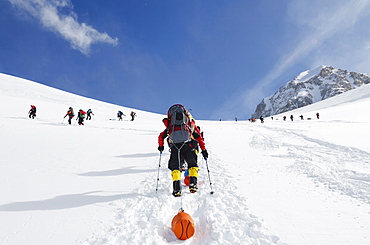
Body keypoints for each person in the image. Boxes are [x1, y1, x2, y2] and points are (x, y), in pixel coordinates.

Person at [158, 104, 208, 197]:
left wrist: (161, 146)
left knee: (175, 167)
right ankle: (193, 185)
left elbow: (161, 136)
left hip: (175, 147)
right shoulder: (189, 124)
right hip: (189, 145)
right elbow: (198, 137)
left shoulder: (170, 125)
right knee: (192, 165)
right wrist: (203, 150)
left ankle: (176, 188)